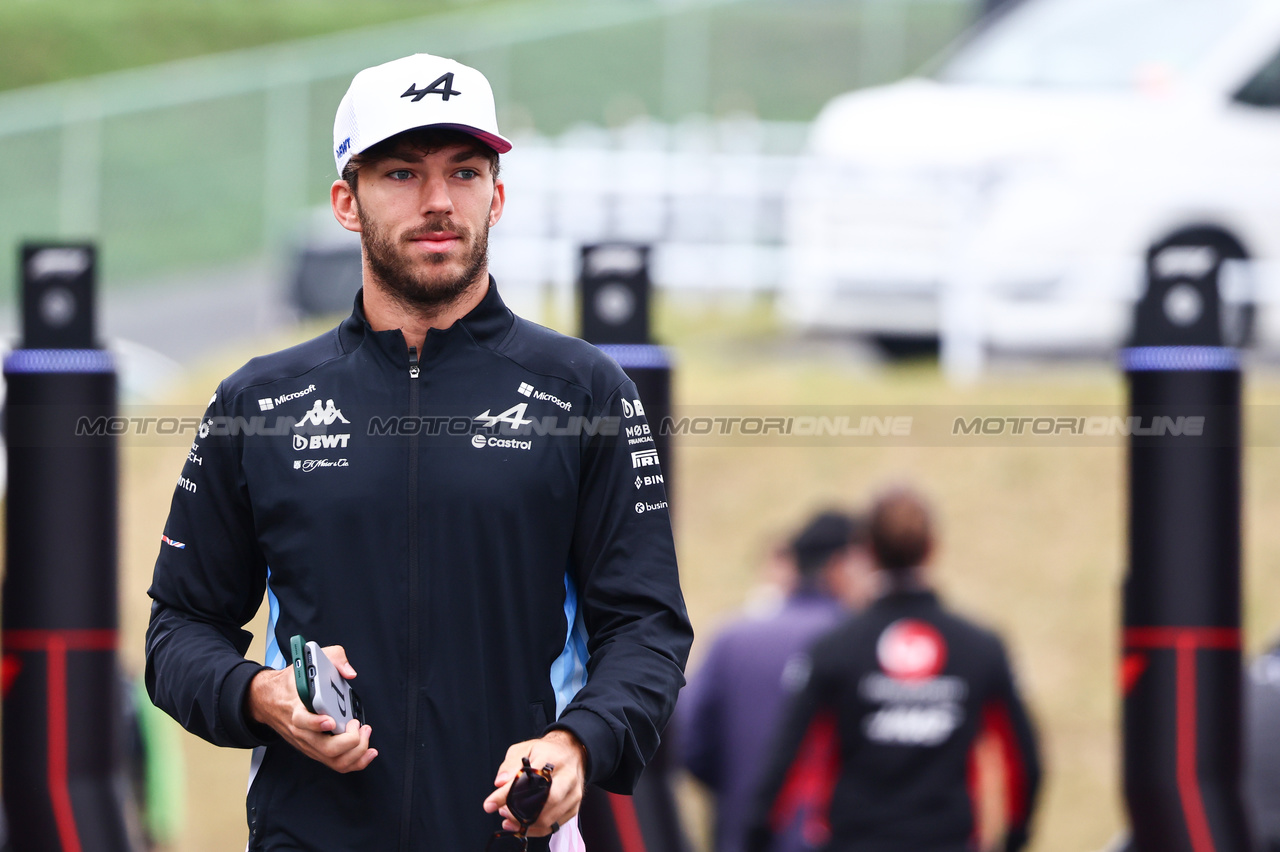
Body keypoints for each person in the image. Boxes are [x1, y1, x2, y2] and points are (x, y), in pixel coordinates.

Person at [143, 53, 693, 851]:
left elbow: (646, 626)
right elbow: (179, 630)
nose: (439, 201)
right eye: (401, 173)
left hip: (512, 837)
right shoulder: (257, 402)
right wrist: (265, 695)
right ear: (346, 202)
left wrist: (578, 743)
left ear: (496, 196)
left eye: (464, 172)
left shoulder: (587, 392)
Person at [747, 488, 1041, 852]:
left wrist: (757, 834)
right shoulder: (980, 647)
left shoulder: (835, 648)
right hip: (947, 841)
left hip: (854, 841)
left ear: (866, 551)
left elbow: (786, 759)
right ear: (933, 547)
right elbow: (1024, 760)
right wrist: (1016, 837)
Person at [677, 511, 874, 852]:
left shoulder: (731, 640)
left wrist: (741, 792)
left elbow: (690, 743)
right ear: (841, 565)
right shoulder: (863, 644)